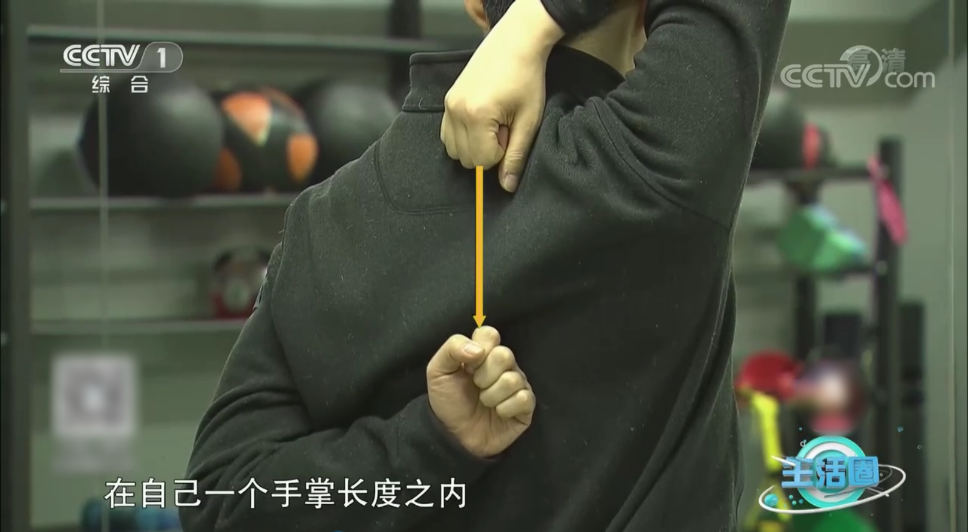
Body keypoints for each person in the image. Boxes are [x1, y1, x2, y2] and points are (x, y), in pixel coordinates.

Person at [179, 0, 791, 530]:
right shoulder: (654, 161)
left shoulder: (322, 221)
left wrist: (427, 444)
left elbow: (217, 498)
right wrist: (539, 17)